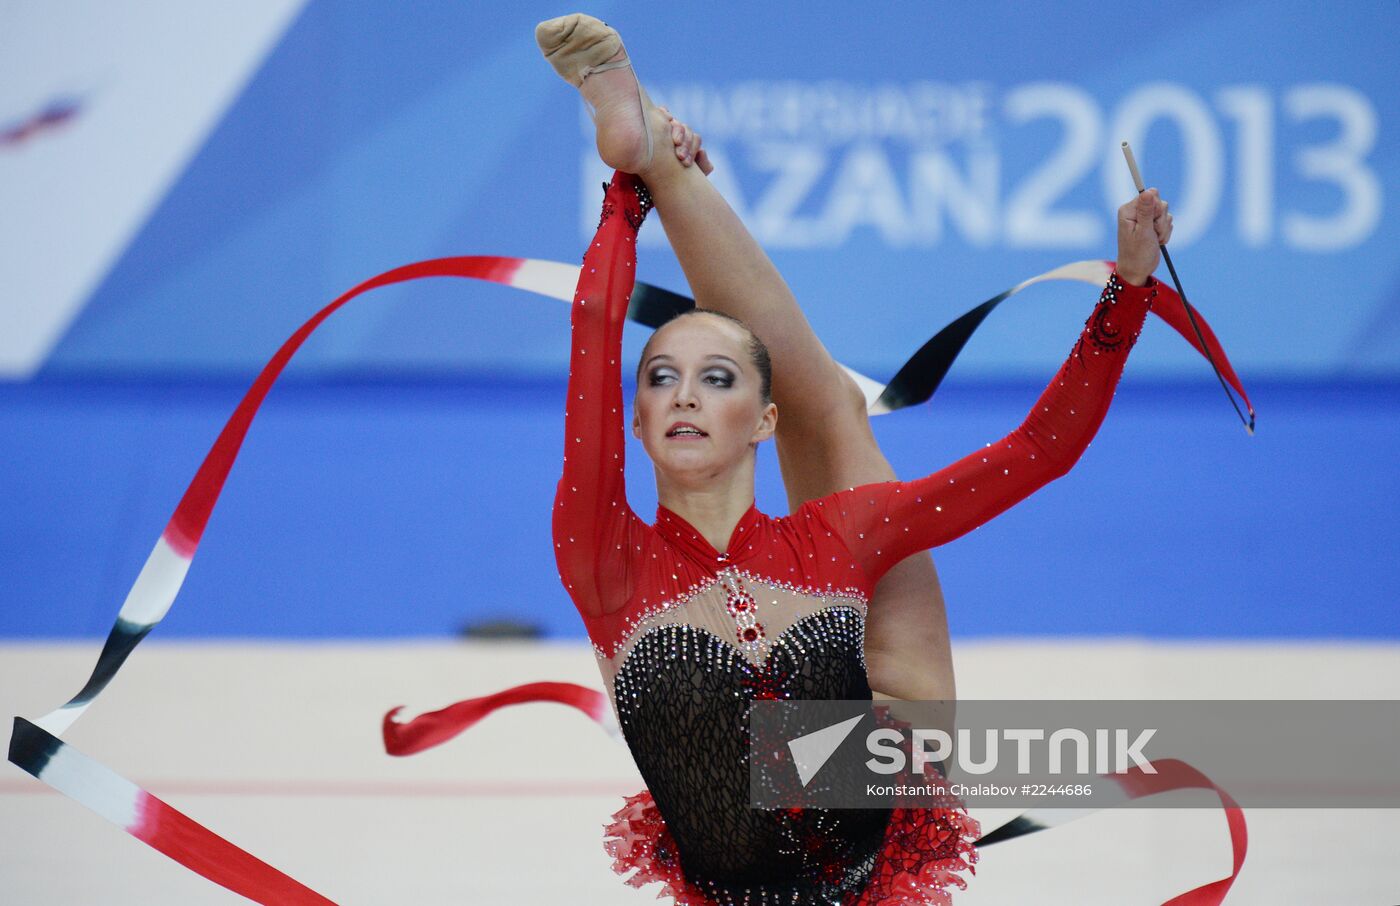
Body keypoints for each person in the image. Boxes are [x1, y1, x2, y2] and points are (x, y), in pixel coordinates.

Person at [538, 13, 1170, 904]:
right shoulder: (604, 554)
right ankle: (658, 155)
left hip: (866, 776)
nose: (681, 394)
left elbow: (1038, 452)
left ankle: (658, 159)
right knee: (831, 421)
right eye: (661, 379)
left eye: (713, 378)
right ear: (634, 424)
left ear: (760, 420)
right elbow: (597, 334)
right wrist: (624, 193)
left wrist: (1129, 290)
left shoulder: (836, 535)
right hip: (854, 801)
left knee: (827, 416)